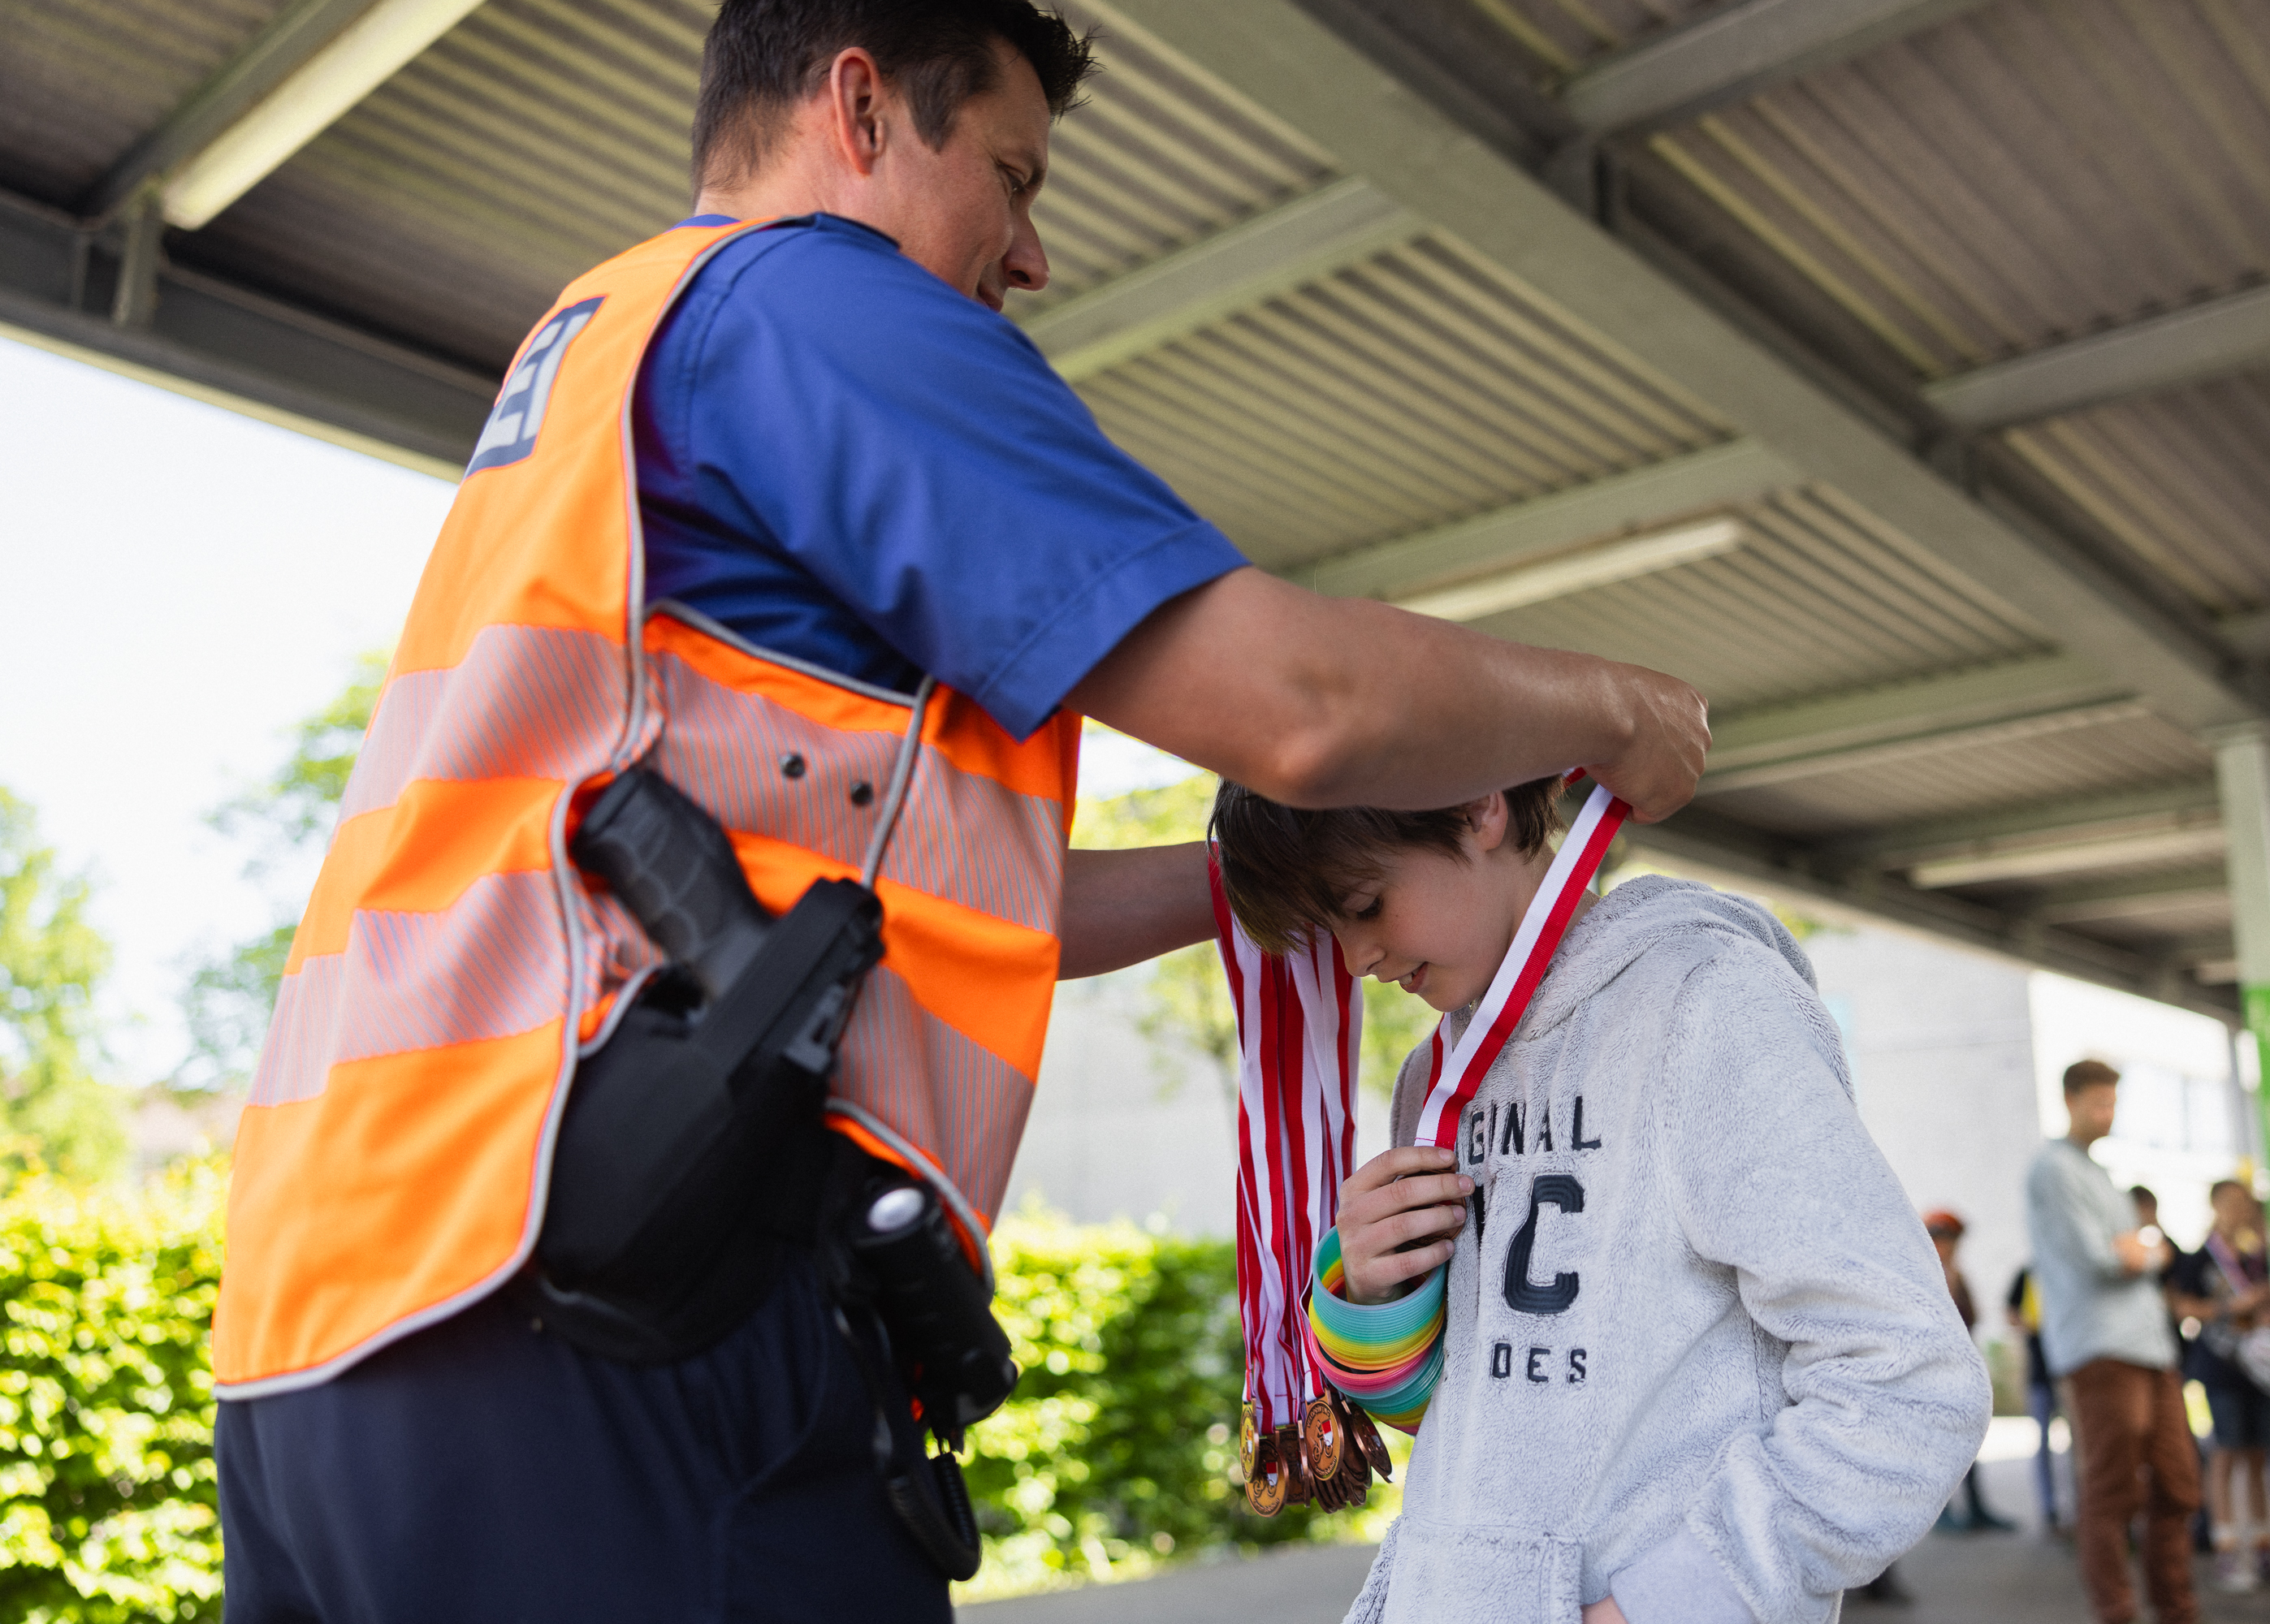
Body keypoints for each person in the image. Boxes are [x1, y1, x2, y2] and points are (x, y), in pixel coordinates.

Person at [206, 6, 1714, 1619]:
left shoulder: (601, 343)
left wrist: (1251, 887)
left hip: (346, 1327)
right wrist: (1615, 708)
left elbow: (923, 896)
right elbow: (1304, 707)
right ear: (859, 106)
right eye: (1010, 170)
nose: (1033, 250)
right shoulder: (807, 301)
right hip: (624, 1313)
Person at [1212, 780, 1989, 1624]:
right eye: (1331, 930)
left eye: (1366, 903)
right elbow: (1474, 1417)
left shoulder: (1707, 1001)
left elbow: (1910, 1378)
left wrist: (1662, 1604)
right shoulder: (1432, 1079)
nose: (1357, 956)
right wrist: (1370, 1290)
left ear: (1478, 805)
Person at [2026, 1059, 2203, 1624]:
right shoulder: (2054, 1169)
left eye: (2112, 1102)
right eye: (2098, 1102)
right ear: (2069, 1099)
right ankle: (2118, 1612)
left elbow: (2131, 1252)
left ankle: (2175, 1608)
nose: (2107, 1113)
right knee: (2111, 1492)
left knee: (2179, 1486)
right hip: (2099, 1347)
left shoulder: (2098, 1172)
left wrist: (2139, 1251)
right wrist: (2149, 1251)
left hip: (2152, 1348)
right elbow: (2107, 1258)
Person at [2168, 1181, 2270, 1592]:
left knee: (2257, 1454)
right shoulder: (2200, 1258)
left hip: (2259, 1369)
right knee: (2226, 1452)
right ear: (2215, 1206)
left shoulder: (2258, 1257)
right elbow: (2180, 1304)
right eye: (2231, 1204)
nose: (2240, 1212)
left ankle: (2264, 1544)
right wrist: (2226, 1308)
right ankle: (2229, 1547)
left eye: (2245, 1204)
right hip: (2220, 1367)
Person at [1925, 1209, 2015, 1533]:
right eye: (1948, 1240)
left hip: (1958, 1369)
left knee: (1967, 1443)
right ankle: (1941, 1512)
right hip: (1934, 1372)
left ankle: (1976, 1508)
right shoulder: (1927, 1272)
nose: (1953, 1247)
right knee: (1940, 1443)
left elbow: (1972, 1317)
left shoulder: (1955, 1273)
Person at [2008, 1264, 2069, 1534]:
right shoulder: (2028, 1274)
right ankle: (2049, 1511)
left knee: (2079, 1446)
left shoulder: (2065, 1272)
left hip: (2068, 1372)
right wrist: (2032, 1326)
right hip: (2041, 1372)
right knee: (2043, 1444)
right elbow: (2011, 1313)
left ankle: (2078, 1509)